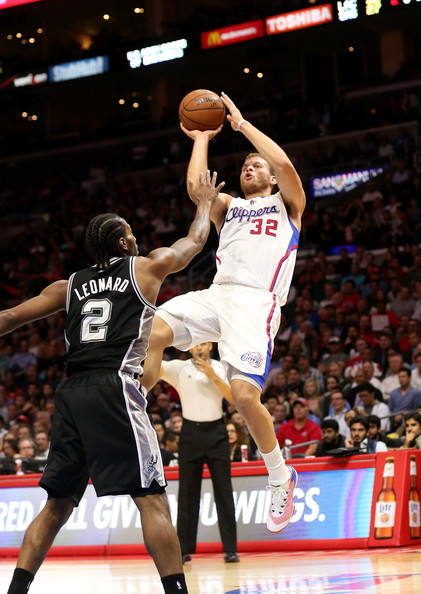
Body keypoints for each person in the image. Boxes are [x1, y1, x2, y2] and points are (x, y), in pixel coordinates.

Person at [2, 170, 224, 594]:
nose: (138, 239)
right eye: (133, 234)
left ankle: (15, 592)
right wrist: (204, 204)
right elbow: (194, 243)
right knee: (151, 498)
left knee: (57, 505)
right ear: (123, 243)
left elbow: (10, 318)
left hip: (70, 395)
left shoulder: (68, 286)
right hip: (114, 387)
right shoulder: (145, 267)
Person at [141, 92, 306, 534]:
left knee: (246, 397)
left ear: (271, 180)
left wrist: (241, 126)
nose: (248, 167)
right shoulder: (230, 207)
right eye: (245, 164)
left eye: (257, 166)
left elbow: (287, 165)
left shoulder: (287, 207)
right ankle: (133, 407)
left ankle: (279, 474)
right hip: (217, 293)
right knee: (151, 329)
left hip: (256, 303)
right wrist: (200, 136)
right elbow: (198, 188)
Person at [159, 341, 238, 564]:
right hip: (190, 433)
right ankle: (183, 549)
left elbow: (232, 399)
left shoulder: (220, 367)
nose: (200, 348)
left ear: (210, 345)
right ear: (189, 348)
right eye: (195, 345)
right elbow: (154, 367)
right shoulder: (179, 368)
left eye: (203, 344)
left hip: (217, 433)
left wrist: (213, 376)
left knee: (224, 491)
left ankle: (231, 549)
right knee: (187, 494)